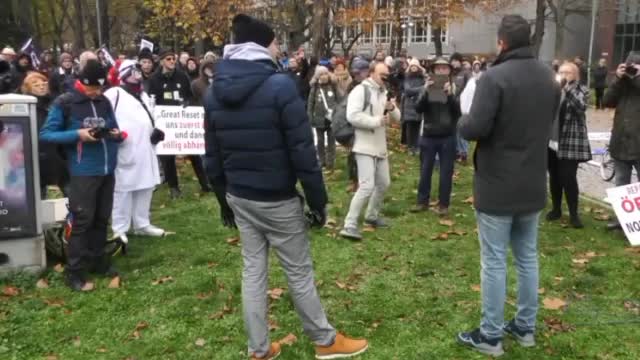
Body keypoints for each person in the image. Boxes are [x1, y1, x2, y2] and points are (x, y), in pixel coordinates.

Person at [203, 13, 368, 360]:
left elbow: (212, 156)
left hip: (240, 196)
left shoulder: (215, 89)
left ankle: (259, 349)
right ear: (263, 45)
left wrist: (224, 202)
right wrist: (318, 201)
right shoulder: (280, 86)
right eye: (276, 42)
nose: (280, 48)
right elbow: (302, 151)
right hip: (275, 198)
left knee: (253, 272)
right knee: (298, 272)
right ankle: (325, 340)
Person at [456, 15, 560, 356]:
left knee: (496, 261)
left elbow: (475, 129)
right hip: (532, 181)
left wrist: (463, 118)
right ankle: (525, 328)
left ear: (502, 42)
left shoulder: (494, 78)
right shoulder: (549, 76)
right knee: (528, 258)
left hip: (498, 184)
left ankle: (490, 336)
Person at [39, 59, 124, 291]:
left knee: (101, 217)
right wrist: (78, 134)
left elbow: (114, 126)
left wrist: (115, 134)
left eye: (99, 87)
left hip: (107, 168)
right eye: (91, 88)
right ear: (81, 82)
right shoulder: (65, 102)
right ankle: (74, 272)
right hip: (82, 170)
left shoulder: (104, 101)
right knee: (82, 220)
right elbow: (47, 134)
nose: (96, 92)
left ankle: (97, 260)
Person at [105, 60, 165, 250]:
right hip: (125, 147)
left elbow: (152, 116)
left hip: (146, 148)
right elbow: (104, 115)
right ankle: (120, 228)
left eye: (139, 71)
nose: (138, 74)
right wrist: (111, 133)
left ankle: (142, 223)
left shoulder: (144, 94)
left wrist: (157, 131)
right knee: (123, 189)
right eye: (134, 71)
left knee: (146, 185)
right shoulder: (114, 94)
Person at [339, 62, 401, 241]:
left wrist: (392, 108)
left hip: (380, 146)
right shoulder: (360, 91)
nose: (385, 78)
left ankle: (371, 216)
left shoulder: (384, 92)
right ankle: (349, 224)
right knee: (366, 185)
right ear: (371, 73)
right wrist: (376, 121)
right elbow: (352, 115)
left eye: (387, 75)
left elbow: (397, 118)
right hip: (364, 145)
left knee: (384, 183)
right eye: (382, 75)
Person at [147, 49, 211, 199]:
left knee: (193, 152)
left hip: (181, 121)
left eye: (173, 59)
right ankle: (174, 187)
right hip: (165, 121)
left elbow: (189, 96)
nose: (172, 62)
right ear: (162, 61)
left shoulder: (182, 76)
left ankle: (204, 183)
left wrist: (187, 104)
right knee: (167, 156)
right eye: (168, 59)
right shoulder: (154, 79)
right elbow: (152, 100)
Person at [410, 58, 460, 216]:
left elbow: (458, 113)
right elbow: (418, 108)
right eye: (438, 69)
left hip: (447, 135)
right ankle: (422, 201)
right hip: (429, 134)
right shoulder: (426, 87)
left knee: (446, 171)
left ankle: (444, 204)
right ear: (433, 71)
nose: (441, 71)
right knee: (425, 170)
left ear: (449, 71)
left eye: (444, 68)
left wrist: (450, 95)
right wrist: (425, 91)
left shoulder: (454, 87)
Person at [545, 62, 591, 229]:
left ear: (575, 74)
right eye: (561, 71)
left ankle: (574, 214)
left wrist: (567, 88)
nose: (563, 74)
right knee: (554, 176)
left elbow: (581, 107)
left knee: (568, 177)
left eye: (567, 72)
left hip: (570, 141)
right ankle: (556, 209)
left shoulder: (581, 90)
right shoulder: (553, 89)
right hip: (551, 140)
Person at [604, 52, 640, 231]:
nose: (631, 70)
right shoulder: (622, 85)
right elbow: (607, 101)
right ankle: (622, 220)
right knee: (621, 184)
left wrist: (637, 78)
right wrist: (618, 79)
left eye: (635, 66)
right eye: (629, 66)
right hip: (620, 142)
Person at [22, 72, 70, 198]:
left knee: (70, 194)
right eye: (35, 84)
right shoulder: (24, 107)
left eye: (43, 82)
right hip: (36, 158)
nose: (41, 86)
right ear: (27, 88)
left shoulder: (55, 104)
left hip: (57, 156)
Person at [307, 65, 339, 170]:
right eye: (321, 74)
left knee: (331, 140)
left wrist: (338, 114)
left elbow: (340, 100)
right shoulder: (315, 87)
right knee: (320, 141)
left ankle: (331, 161)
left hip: (331, 118)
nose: (324, 76)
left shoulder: (333, 86)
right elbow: (310, 103)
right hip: (319, 119)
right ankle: (321, 160)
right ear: (318, 76)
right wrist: (310, 117)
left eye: (325, 73)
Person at [401, 58, 427, 155]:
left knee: (417, 126)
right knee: (410, 127)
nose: (413, 68)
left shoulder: (422, 78)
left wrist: (416, 91)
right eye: (412, 66)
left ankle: (416, 146)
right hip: (409, 105)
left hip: (419, 104)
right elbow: (407, 91)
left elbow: (426, 89)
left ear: (418, 67)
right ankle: (410, 146)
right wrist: (420, 89)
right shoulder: (407, 77)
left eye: (415, 66)